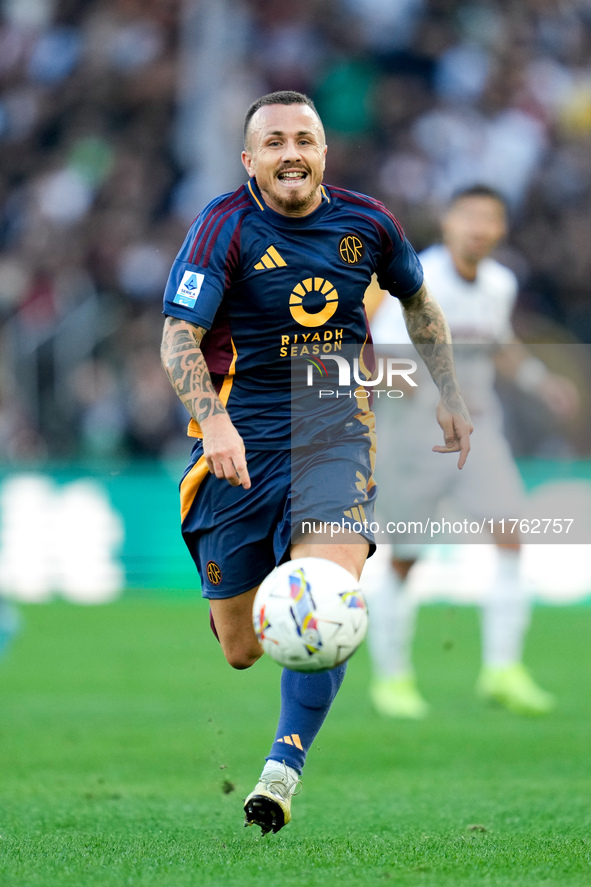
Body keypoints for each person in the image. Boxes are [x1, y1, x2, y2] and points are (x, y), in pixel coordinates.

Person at [160, 90, 472, 834]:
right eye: (274, 142)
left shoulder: (367, 222)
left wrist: (449, 393)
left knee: (325, 590)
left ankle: (282, 767)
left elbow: (420, 304)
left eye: (304, 138)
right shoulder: (221, 226)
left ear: (325, 151)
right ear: (250, 160)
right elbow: (176, 338)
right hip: (239, 446)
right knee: (241, 648)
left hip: (334, 428)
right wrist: (215, 422)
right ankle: (264, 575)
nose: (291, 152)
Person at [366, 185, 578, 719]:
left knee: (511, 537)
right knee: (406, 559)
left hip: (479, 436)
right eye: (471, 218)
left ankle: (503, 670)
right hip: (417, 442)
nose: (480, 229)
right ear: (449, 222)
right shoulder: (417, 279)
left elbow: (500, 343)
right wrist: (420, 390)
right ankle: (392, 679)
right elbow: (379, 357)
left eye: (491, 219)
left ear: (501, 229)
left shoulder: (499, 284)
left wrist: (539, 380)